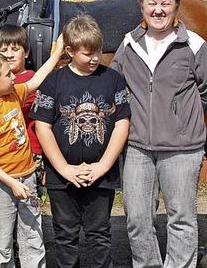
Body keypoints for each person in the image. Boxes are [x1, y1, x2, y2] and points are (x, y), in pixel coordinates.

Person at [110, 0, 207, 267]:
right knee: (137, 219)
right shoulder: (129, 44)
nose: (158, 10)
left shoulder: (194, 45)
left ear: (176, 6)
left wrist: (184, 119)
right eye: (152, 2)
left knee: (181, 219)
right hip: (138, 146)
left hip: (182, 148)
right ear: (142, 6)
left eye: (166, 3)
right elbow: (112, 86)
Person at [30, 15, 130, 267]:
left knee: (100, 235)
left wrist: (104, 166)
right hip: (61, 178)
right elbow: (42, 127)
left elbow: (121, 124)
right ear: (70, 51)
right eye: (88, 53)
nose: (95, 58)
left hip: (101, 175)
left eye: (98, 51)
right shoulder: (53, 82)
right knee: (65, 236)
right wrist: (63, 168)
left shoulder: (113, 79)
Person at [0, 34, 63, 267]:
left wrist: (58, 53)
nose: (14, 76)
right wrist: (11, 182)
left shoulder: (12, 95)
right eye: (8, 75)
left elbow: (37, 79)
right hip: (1, 185)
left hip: (27, 178)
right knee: (1, 243)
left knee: (32, 235)